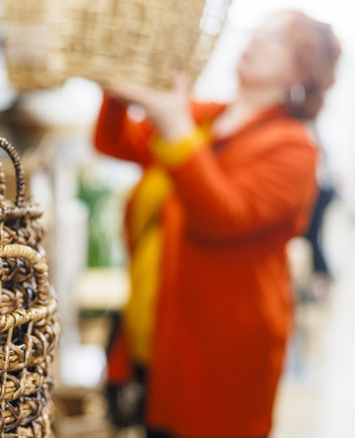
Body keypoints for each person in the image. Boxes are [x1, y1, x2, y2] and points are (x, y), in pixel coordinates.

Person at [94, 10, 340, 438]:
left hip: (221, 347)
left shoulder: (294, 147)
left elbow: (223, 217)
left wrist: (175, 128)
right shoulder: (206, 116)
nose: (257, 41)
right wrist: (120, 90)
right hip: (159, 329)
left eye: (278, 39)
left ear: (304, 68)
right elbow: (115, 141)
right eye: (258, 31)